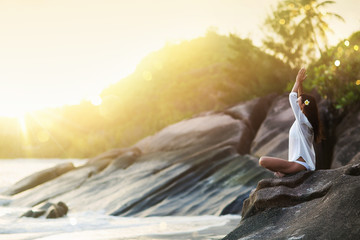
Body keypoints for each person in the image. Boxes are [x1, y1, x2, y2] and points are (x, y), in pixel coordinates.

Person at [259, 67, 322, 177]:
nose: (296, 103)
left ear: (302, 106)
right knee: (276, 173)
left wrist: (297, 81)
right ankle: (285, 173)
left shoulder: (303, 120)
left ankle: (286, 173)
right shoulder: (305, 121)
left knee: (262, 161)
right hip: (300, 164)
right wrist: (301, 84)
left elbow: (292, 96)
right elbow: (300, 98)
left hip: (298, 165)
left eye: (298, 102)